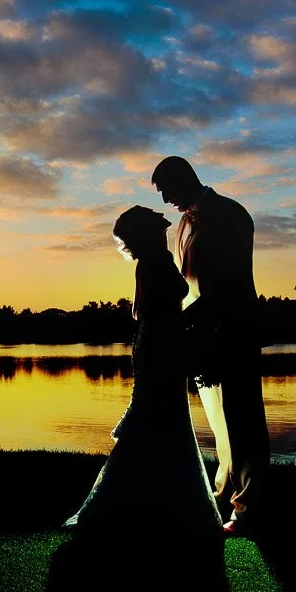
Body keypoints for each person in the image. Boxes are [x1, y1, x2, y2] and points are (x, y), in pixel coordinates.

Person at [63, 205, 222, 540]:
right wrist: (197, 316)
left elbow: (140, 313)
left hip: (154, 346)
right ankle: (153, 503)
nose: (165, 230)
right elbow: (153, 312)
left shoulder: (148, 264)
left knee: (156, 420)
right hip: (161, 349)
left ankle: (145, 502)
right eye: (158, 229)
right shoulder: (157, 262)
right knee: (161, 418)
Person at [151, 156, 269, 537]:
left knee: (244, 423)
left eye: (166, 189)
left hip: (234, 332)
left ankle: (251, 510)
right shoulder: (185, 223)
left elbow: (230, 283)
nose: (166, 199)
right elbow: (188, 282)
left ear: (182, 179)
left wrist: (185, 319)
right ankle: (222, 497)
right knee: (220, 425)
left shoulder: (231, 214)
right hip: (200, 337)